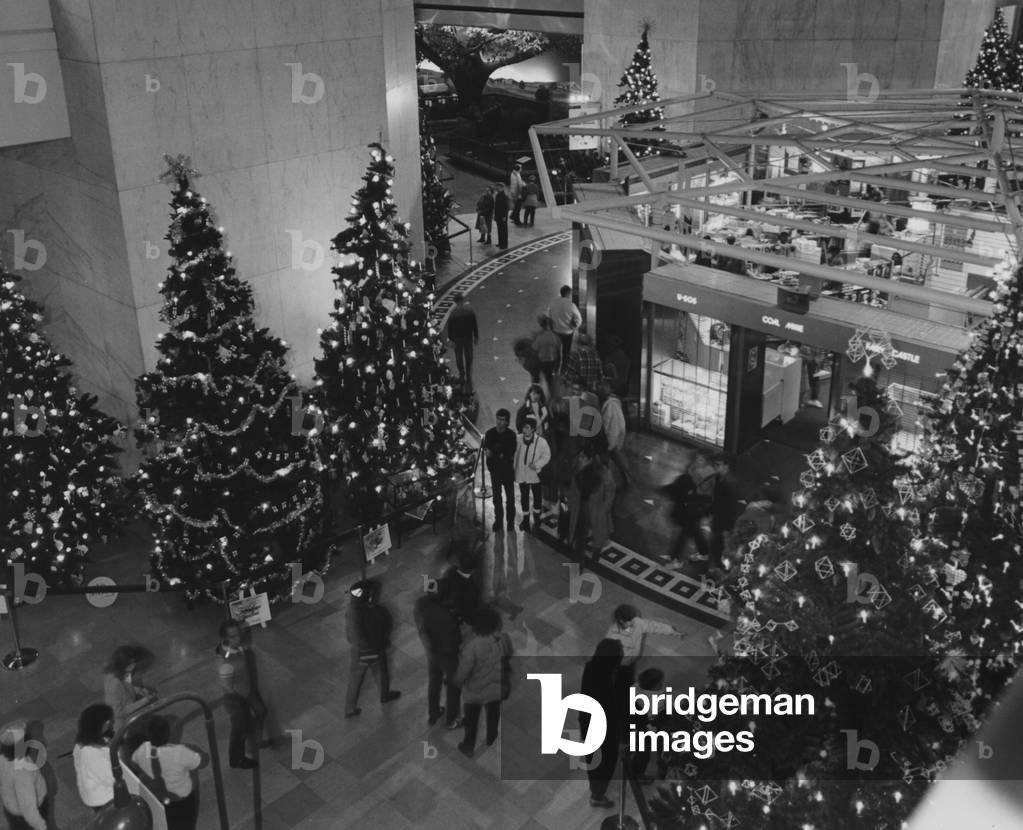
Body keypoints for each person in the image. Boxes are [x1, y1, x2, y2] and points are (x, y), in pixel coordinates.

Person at [454, 605, 512, 758]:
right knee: (493, 712)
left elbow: (464, 670)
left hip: (475, 691)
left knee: (471, 720)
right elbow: (508, 654)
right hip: (495, 687)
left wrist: (457, 681)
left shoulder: (471, 647)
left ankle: (468, 746)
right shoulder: (503, 638)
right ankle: (491, 736)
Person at [578, 639, 626, 809]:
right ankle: (597, 795)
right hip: (602, 730)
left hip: (589, 724)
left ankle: (597, 791)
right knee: (604, 762)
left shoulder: (592, 667)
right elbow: (612, 709)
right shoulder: (606, 681)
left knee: (596, 760)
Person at [131, 716, 201, 830]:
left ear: (148, 734)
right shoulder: (179, 752)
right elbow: (197, 762)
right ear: (168, 734)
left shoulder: (142, 749)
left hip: (158, 798)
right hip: (181, 798)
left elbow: (134, 763)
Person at [344, 579, 401, 718]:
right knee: (382, 672)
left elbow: (351, 636)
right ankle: (385, 695)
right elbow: (386, 627)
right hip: (374, 650)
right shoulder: (375, 611)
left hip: (359, 652)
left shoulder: (351, 610)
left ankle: (350, 709)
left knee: (356, 679)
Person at [216, 620, 268, 768]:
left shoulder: (237, 647)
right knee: (239, 728)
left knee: (261, 711)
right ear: (225, 638)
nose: (237, 638)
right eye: (232, 636)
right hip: (236, 699)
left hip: (247, 690)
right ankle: (236, 759)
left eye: (238, 634)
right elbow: (226, 686)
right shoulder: (226, 661)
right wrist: (241, 702)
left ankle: (255, 741)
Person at [413, 586, 462, 729]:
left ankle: (433, 713)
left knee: (434, 681)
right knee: (454, 685)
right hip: (447, 654)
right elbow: (455, 638)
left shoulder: (421, 603)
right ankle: (451, 720)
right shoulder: (446, 615)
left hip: (431, 651)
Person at [605, 605, 686, 689]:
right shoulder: (612, 636)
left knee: (627, 678)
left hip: (629, 661)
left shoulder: (636, 622)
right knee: (621, 682)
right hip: (618, 664)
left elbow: (653, 626)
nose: (634, 622)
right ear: (621, 621)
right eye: (630, 620)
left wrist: (672, 631)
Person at [660, 454, 715, 570]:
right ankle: (704, 552)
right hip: (694, 509)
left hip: (694, 509)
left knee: (683, 534)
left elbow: (699, 492)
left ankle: (676, 559)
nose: (697, 461)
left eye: (701, 459)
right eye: (697, 459)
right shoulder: (697, 472)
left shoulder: (703, 475)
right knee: (694, 531)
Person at [567, 442, 616, 564]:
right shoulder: (577, 469)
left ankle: (596, 554)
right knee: (580, 534)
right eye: (579, 456)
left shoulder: (603, 472)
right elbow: (573, 490)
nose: (580, 459)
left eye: (582, 457)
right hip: (581, 507)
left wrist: (604, 508)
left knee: (597, 534)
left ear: (590, 460)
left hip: (596, 508)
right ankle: (579, 560)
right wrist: (571, 504)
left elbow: (610, 490)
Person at [0, 721, 47, 830]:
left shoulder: (2, 757)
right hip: (26, 816)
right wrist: (42, 826)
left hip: (11, 805)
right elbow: (28, 808)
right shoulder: (23, 774)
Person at [104, 645, 157, 738]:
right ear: (129, 666)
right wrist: (144, 701)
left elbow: (127, 687)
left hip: (130, 721)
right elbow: (119, 712)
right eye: (142, 672)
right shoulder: (115, 684)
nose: (142, 675)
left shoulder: (122, 675)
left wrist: (137, 689)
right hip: (124, 728)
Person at [73, 704, 116, 813]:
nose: (113, 725)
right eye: (110, 723)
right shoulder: (91, 753)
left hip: (91, 791)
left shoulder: (81, 743)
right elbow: (113, 779)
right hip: (104, 798)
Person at [514, 416, 551, 532]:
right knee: (524, 496)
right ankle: (525, 519)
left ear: (533, 429)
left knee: (537, 497)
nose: (524, 430)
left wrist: (537, 465)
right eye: (523, 427)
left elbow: (547, 455)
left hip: (535, 475)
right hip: (522, 473)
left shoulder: (541, 442)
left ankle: (536, 518)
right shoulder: (518, 439)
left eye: (527, 428)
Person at [483, 409, 517, 532]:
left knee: (510, 498)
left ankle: (510, 522)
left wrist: (495, 453)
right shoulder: (489, 433)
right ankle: (498, 521)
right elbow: (487, 451)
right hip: (495, 471)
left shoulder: (511, 435)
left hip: (507, 471)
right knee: (496, 498)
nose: (499, 422)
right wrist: (497, 453)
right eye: (498, 419)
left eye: (502, 420)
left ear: (507, 422)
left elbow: (508, 453)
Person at [708, 452, 741, 571]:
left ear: (726, 466)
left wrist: (729, 526)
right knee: (716, 542)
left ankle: (719, 565)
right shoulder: (719, 477)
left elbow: (731, 506)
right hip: (718, 517)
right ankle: (717, 564)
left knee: (719, 543)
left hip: (724, 520)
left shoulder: (730, 483)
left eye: (718, 465)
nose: (715, 467)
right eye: (714, 465)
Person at [597, 381, 630, 488]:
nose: (602, 387)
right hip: (613, 439)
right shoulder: (614, 403)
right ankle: (626, 479)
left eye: (606, 386)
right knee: (617, 460)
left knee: (606, 462)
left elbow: (608, 423)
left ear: (612, 390)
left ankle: (608, 486)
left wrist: (608, 443)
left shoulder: (610, 405)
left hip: (609, 440)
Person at [445, 293, 479, 392]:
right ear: (462, 301)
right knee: (468, 358)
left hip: (457, 339)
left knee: (459, 358)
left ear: (455, 302)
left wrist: (451, 339)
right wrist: (476, 336)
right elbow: (474, 324)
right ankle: (468, 375)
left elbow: (450, 328)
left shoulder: (453, 313)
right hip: (467, 338)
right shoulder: (469, 311)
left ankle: (462, 375)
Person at [547, 286, 582, 364]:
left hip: (556, 331)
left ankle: (556, 366)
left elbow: (549, 316)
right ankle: (565, 366)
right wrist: (574, 327)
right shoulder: (571, 305)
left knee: (556, 351)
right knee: (566, 351)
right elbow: (579, 319)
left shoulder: (553, 303)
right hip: (567, 332)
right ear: (568, 293)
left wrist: (551, 328)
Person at [531, 316, 562, 392]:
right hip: (552, 361)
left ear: (542, 326)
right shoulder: (556, 337)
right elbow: (559, 351)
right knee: (550, 380)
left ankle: (537, 391)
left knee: (537, 379)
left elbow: (534, 349)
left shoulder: (540, 337)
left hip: (542, 361)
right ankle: (551, 393)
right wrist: (558, 365)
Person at [493, 181, 510, 250]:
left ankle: (504, 245)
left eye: (499, 187)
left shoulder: (504, 196)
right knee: (499, 230)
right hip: (498, 216)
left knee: (503, 231)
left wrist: (504, 216)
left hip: (503, 217)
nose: (497, 188)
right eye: (497, 187)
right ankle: (500, 243)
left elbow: (506, 208)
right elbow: (496, 206)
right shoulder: (498, 195)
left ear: (502, 188)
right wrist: (495, 216)